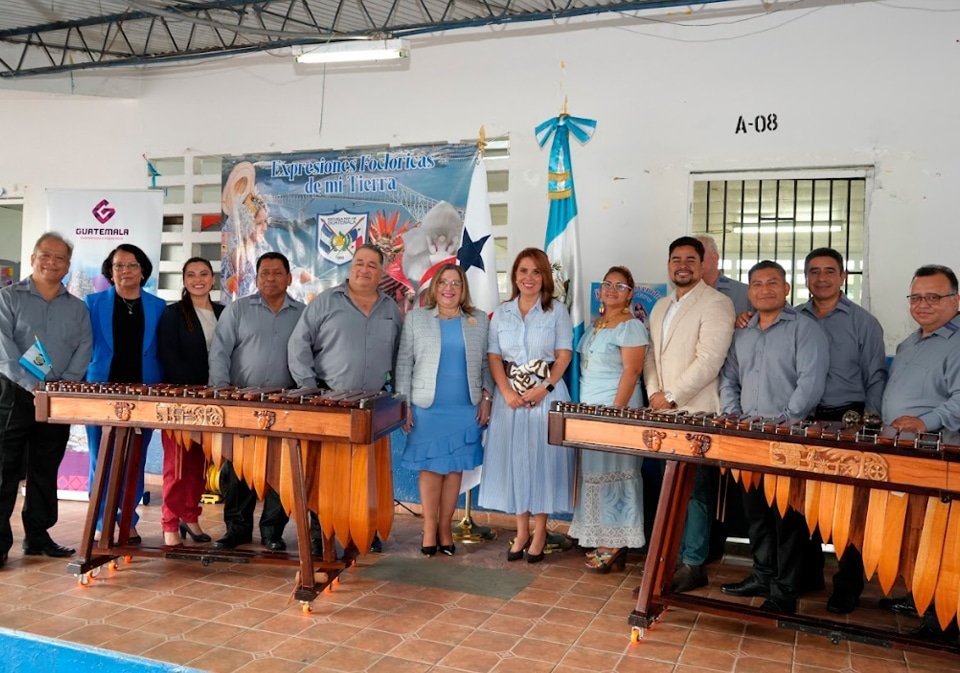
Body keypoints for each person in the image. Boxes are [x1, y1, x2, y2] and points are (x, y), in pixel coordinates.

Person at [718, 260, 829, 614]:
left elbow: (810, 383)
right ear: (749, 292)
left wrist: (787, 422)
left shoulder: (805, 329)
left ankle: (785, 590)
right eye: (757, 284)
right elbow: (729, 377)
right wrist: (733, 416)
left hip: (788, 438)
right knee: (756, 513)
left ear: (786, 289)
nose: (765, 289)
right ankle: (762, 575)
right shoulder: (743, 331)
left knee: (788, 518)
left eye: (772, 283)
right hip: (748, 435)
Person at [288, 243, 402, 554]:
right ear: (350, 267)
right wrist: (310, 388)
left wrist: (396, 396)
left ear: (381, 272)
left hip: (373, 407)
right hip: (331, 403)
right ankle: (319, 533)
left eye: (372, 265)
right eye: (359, 263)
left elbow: (398, 355)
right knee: (324, 474)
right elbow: (298, 346)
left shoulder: (391, 308)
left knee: (367, 475)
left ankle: (363, 531)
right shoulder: (325, 302)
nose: (364, 269)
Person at [796, 247, 887, 614]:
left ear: (843, 276)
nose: (821, 278)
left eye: (829, 271)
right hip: (804, 419)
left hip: (849, 420)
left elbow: (876, 377)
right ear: (805, 278)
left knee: (849, 511)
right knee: (805, 503)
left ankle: (848, 585)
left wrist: (871, 423)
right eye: (814, 271)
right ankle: (808, 573)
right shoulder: (794, 318)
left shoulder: (863, 322)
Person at [644, 237, 735, 590]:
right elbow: (651, 355)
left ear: (702, 265)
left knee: (694, 490)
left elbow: (710, 360)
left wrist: (670, 395)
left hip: (696, 412)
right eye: (675, 259)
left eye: (690, 259)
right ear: (668, 265)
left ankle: (694, 563)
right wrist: (654, 392)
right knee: (670, 487)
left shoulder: (717, 303)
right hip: (663, 412)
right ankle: (670, 558)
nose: (682, 265)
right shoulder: (660, 306)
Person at [877, 264, 960, 642]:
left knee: (945, 538)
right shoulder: (909, 343)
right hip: (907, 455)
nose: (923, 304)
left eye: (934, 297)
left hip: (944, 457)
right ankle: (922, 597)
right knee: (919, 532)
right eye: (916, 297)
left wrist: (926, 422)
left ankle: (946, 619)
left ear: (955, 300)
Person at [478, 248, 574, 564]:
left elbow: (564, 355)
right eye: (522, 271)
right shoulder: (502, 312)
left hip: (546, 394)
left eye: (535, 271)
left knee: (542, 461)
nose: (528, 278)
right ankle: (521, 531)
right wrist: (504, 391)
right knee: (516, 460)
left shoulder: (557, 311)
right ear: (514, 276)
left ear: (544, 276)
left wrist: (543, 388)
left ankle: (541, 530)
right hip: (511, 399)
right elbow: (493, 356)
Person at [0, 233, 92, 564]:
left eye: (60, 258)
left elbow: (84, 347)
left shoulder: (77, 307)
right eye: (45, 256)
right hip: (13, 394)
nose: (52, 263)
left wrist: (63, 386)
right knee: (4, 469)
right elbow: (4, 351)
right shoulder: (8, 298)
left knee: (45, 467)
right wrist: (32, 386)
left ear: (68, 265)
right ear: (33, 257)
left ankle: (38, 537)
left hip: (57, 397)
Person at [395, 263, 492, 557]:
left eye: (456, 283)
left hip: (466, 408)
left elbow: (489, 363)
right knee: (431, 468)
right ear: (435, 287)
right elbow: (404, 363)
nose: (449, 288)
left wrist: (487, 398)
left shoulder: (478, 321)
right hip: (427, 408)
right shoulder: (417, 319)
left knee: (454, 470)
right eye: (443, 283)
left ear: (463, 290)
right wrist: (404, 405)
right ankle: (428, 530)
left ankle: (446, 530)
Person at [209, 252, 304, 550]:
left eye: (278, 273)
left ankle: (272, 533)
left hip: (284, 404)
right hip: (240, 402)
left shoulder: (303, 314)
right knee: (237, 470)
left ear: (289, 278)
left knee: (280, 471)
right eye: (265, 273)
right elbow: (220, 352)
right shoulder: (237, 310)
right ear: (256, 277)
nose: (271, 278)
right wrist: (221, 392)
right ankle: (237, 529)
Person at [568, 266, 648, 572]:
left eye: (620, 285)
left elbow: (632, 371)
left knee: (617, 474)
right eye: (607, 284)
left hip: (617, 410)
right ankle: (601, 536)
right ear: (599, 291)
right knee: (595, 474)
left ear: (630, 294)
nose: (612, 289)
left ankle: (616, 543)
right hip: (591, 410)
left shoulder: (631, 326)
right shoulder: (597, 325)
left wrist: (615, 412)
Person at [85, 244, 166, 543]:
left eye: (131, 265)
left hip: (144, 394)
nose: (125, 271)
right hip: (101, 392)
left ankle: (127, 521)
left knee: (135, 460)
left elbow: (161, 350)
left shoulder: (158, 306)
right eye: (118, 266)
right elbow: (84, 347)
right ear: (110, 271)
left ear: (143, 270)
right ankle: (100, 520)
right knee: (100, 458)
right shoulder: (92, 303)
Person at [157, 257, 224, 547]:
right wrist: (194, 391)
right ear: (184, 280)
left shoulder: (224, 312)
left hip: (216, 401)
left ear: (212, 279)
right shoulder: (173, 315)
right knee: (177, 465)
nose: (198, 279)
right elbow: (169, 358)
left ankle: (191, 516)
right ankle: (170, 523)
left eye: (204, 274)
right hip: (182, 400)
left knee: (199, 464)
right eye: (191, 275)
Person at [695, 234, 752, 315]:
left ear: (715, 257)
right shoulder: (684, 294)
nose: (694, 260)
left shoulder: (745, 293)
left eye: (699, 254)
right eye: (690, 257)